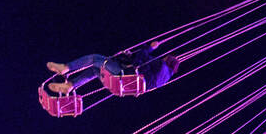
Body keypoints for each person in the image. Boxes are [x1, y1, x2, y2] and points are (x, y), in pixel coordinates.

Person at [46, 42, 180, 94]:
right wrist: (129, 57)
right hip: (123, 85)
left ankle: (66, 67)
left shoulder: (161, 65)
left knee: (94, 58)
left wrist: (149, 47)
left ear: (167, 59)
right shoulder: (163, 79)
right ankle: (70, 85)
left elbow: (140, 60)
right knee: (95, 70)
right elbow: (142, 65)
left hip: (123, 76)